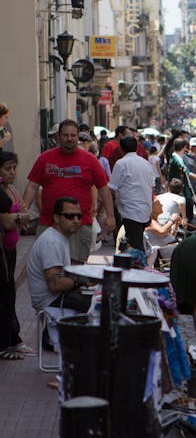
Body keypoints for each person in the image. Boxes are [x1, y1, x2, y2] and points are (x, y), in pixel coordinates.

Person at [23, 119, 115, 264]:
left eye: (73, 135)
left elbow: (103, 189)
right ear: (58, 137)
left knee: (76, 267)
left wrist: (110, 216)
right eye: (65, 135)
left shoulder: (90, 160)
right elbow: (33, 186)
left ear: (78, 137)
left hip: (79, 223)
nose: (69, 139)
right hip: (49, 223)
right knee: (48, 265)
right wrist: (24, 210)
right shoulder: (44, 158)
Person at [27, 197, 92, 349]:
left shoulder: (60, 237)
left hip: (57, 297)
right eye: (69, 216)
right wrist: (82, 280)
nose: (76, 220)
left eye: (79, 216)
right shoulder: (52, 242)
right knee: (104, 307)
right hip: (50, 300)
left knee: (101, 299)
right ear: (56, 218)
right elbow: (55, 285)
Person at [0, 152, 33, 357]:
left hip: (11, 250)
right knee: (5, 294)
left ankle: (13, 338)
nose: (12, 172)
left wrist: (19, 217)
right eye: (7, 168)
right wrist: (19, 217)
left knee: (9, 294)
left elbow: (25, 214)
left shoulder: (10, 189)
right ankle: (6, 342)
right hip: (2, 251)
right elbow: (7, 222)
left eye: (14, 168)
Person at [108, 136, 155, 251]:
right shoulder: (146, 163)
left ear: (121, 149)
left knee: (136, 246)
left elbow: (111, 188)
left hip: (131, 211)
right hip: (144, 210)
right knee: (135, 242)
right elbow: (152, 188)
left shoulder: (121, 164)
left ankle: (141, 266)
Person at [168, 138, 196, 224]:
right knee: (185, 210)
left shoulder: (176, 156)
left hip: (179, 187)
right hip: (180, 189)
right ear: (183, 147)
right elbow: (188, 173)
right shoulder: (177, 159)